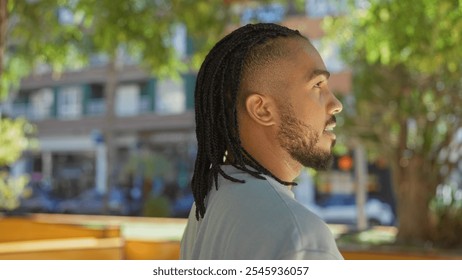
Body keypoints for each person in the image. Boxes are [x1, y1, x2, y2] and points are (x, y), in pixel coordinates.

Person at [180, 23, 343, 260]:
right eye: (317, 85)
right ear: (262, 109)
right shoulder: (299, 237)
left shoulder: (209, 204)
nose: (336, 104)